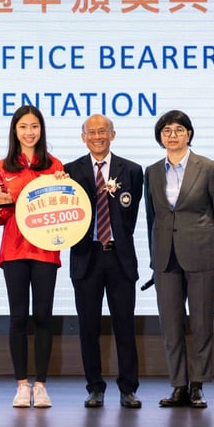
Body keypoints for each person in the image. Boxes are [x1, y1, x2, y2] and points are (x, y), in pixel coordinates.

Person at [145, 110, 214, 409]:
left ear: (189, 134)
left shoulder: (208, 167)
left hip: (203, 254)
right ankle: (178, 386)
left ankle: (197, 386)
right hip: (165, 258)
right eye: (166, 130)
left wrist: (201, 234)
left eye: (179, 130)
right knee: (170, 325)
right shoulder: (152, 172)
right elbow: (151, 218)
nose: (172, 135)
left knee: (202, 322)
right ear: (160, 137)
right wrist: (155, 255)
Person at [63, 114, 144, 409]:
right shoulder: (69, 171)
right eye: (91, 132)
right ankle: (95, 387)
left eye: (103, 131)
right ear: (83, 137)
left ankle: (128, 389)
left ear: (113, 134)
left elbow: (131, 218)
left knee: (124, 324)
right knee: (88, 327)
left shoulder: (132, 171)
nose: (97, 136)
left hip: (120, 258)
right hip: (86, 258)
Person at [0, 105, 66, 409]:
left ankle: (42, 385)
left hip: (46, 250)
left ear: (41, 130)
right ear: (15, 131)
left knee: (44, 317)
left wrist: (64, 186)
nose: (29, 132)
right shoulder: (1, 167)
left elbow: (61, 211)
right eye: (23, 127)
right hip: (14, 250)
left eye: (34, 126)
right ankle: (22, 384)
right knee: (19, 317)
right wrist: (3, 202)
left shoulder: (55, 165)